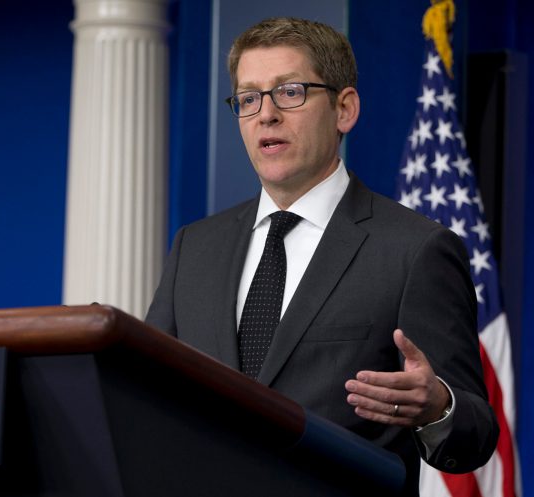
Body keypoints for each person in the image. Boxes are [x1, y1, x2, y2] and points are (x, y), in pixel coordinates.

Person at [145, 17, 498, 495]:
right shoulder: (194, 247)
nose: (265, 115)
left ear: (344, 109)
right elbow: (145, 396)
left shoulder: (415, 249)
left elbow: (475, 436)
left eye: (289, 92)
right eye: (248, 99)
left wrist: (439, 407)